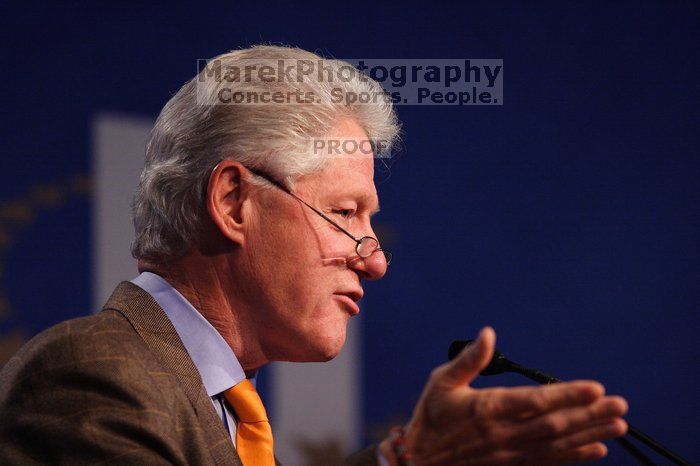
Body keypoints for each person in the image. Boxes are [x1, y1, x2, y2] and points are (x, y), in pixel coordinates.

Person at [0, 45, 628, 466]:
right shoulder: (96, 378)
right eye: (346, 213)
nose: (376, 260)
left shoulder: (208, 401)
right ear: (233, 201)